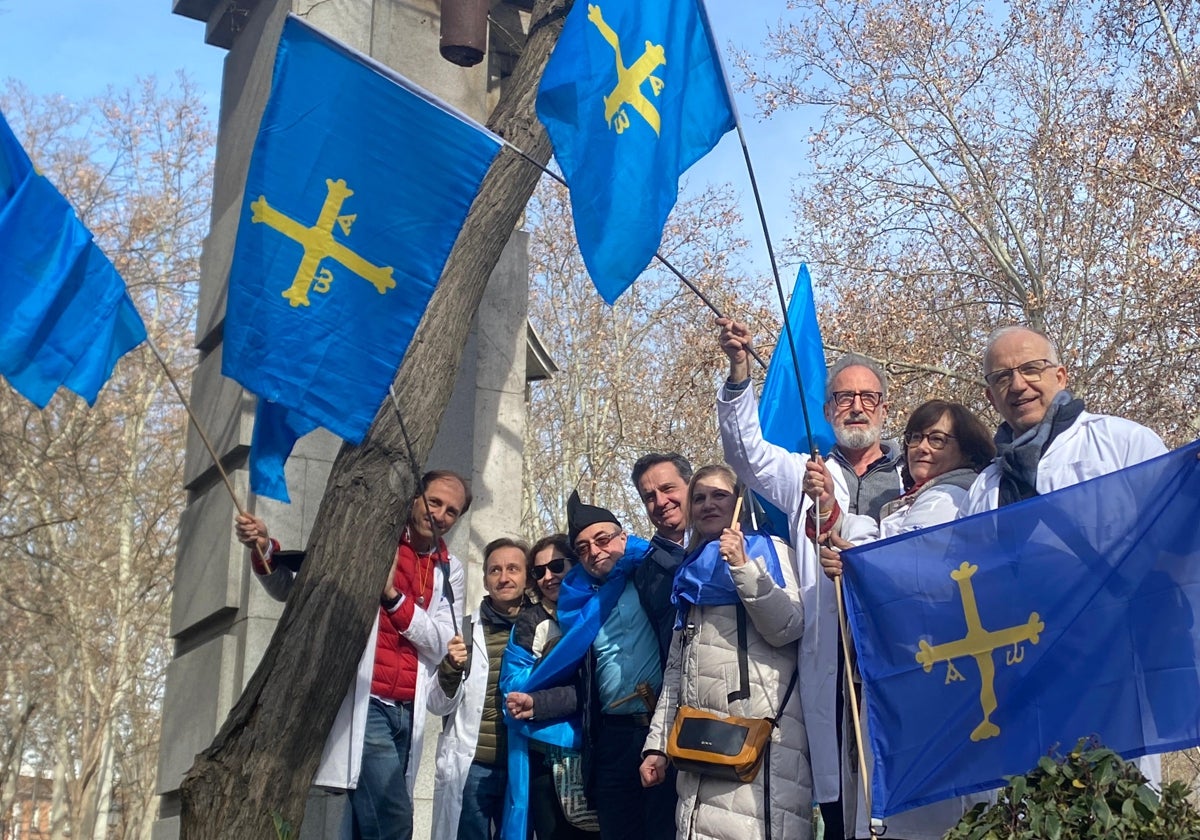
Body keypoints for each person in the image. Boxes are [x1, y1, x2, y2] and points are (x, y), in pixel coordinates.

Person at [715, 316, 903, 839]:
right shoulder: (806, 473)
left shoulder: (916, 475)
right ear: (827, 411)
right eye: (844, 399)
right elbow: (745, 454)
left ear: (885, 408)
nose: (857, 407)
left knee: (900, 793)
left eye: (868, 397)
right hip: (834, 659)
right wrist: (737, 371)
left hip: (901, 653)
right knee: (843, 796)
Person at [959, 324, 1168, 784]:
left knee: (1120, 805)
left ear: (1061, 374)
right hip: (1025, 680)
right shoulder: (985, 489)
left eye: (1031, 369)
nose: (1018, 385)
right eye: (1002, 377)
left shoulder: (1124, 445)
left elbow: (1171, 547)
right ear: (990, 396)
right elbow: (971, 584)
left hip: (1114, 669)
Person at [233, 470, 469, 840]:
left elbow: (440, 641)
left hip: (408, 707)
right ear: (414, 499)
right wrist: (262, 549)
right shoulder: (375, 541)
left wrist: (392, 599)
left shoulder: (449, 569)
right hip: (366, 701)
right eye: (433, 502)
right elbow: (294, 592)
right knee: (393, 821)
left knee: (365, 824)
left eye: (451, 511)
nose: (439, 515)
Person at [808, 401, 996, 839]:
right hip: (899, 667)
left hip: (937, 671)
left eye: (937, 439)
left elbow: (913, 564)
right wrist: (830, 510)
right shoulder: (913, 500)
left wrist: (855, 560)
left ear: (965, 449)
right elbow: (874, 539)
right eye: (915, 437)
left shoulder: (956, 496)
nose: (921, 448)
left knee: (928, 811)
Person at [639, 465, 811, 839]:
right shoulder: (689, 573)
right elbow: (676, 669)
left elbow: (788, 628)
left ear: (739, 503)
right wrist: (657, 746)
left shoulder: (772, 551)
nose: (707, 504)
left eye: (720, 495)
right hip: (699, 746)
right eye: (698, 497)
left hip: (760, 744)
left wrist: (743, 567)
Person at [554, 491, 677, 840]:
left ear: (623, 537)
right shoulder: (578, 602)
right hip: (610, 738)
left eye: (602, 539)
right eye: (582, 548)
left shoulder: (654, 574)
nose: (594, 551)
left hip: (658, 730)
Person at [430, 538, 532, 840]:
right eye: (495, 570)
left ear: (527, 576)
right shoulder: (463, 631)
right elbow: (436, 705)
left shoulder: (544, 628)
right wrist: (450, 669)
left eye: (513, 568)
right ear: (485, 580)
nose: (504, 577)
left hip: (524, 765)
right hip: (473, 767)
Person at [505, 535, 597, 839]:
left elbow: (599, 685)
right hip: (546, 755)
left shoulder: (600, 607)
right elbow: (514, 685)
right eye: (539, 571)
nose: (548, 577)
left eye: (557, 566)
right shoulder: (531, 620)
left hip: (598, 748)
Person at [630, 453, 694, 666]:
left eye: (668, 489)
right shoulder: (644, 573)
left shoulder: (729, 539)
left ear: (691, 486)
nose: (660, 502)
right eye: (649, 497)